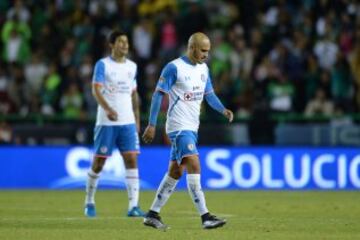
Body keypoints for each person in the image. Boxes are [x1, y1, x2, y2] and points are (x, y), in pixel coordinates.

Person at [142, 32, 234, 230]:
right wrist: (151, 124)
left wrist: (223, 109)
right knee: (194, 163)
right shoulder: (174, 67)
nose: (206, 55)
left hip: (192, 127)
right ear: (191, 47)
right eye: (203, 50)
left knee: (175, 172)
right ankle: (206, 216)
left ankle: (152, 213)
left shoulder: (204, 69)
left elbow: (209, 95)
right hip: (178, 126)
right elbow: (158, 95)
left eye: (208, 51)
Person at [84, 30, 145, 218]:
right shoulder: (103, 65)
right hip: (106, 122)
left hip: (127, 121)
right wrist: (108, 109)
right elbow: (96, 90)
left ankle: (133, 206)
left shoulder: (132, 67)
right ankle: (89, 201)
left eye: (126, 41)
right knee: (99, 162)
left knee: (132, 160)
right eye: (120, 41)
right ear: (111, 45)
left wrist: (136, 118)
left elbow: (134, 94)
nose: (125, 45)